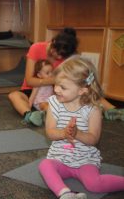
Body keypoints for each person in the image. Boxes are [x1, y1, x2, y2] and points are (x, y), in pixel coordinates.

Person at [39, 57, 124, 199]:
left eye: (63, 87)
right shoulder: (54, 103)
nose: (56, 90)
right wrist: (64, 133)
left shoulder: (93, 109)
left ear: (82, 90)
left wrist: (77, 133)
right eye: (56, 84)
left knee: (94, 185)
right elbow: (50, 132)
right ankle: (65, 193)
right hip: (59, 158)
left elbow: (93, 139)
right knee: (44, 165)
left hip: (85, 160)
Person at [8, 27, 123, 126]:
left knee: (86, 90)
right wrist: (54, 80)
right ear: (53, 42)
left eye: (62, 56)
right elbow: (30, 81)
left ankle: (113, 111)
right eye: (56, 52)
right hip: (32, 90)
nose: (58, 56)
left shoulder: (71, 57)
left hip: (57, 91)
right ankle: (31, 115)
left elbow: (74, 79)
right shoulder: (36, 48)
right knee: (14, 95)